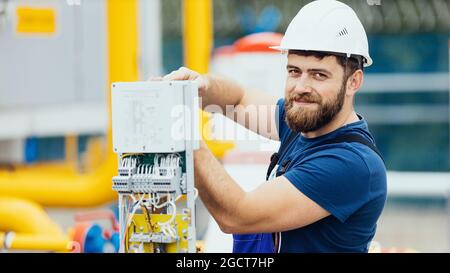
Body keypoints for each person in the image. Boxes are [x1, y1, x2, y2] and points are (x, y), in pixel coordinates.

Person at [153, 0, 387, 253]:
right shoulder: (301, 125)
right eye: (294, 71)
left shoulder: (350, 164)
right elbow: (237, 98)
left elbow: (238, 216)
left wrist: (182, 133)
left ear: (354, 81)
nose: (301, 87)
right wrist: (201, 86)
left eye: (319, 75)